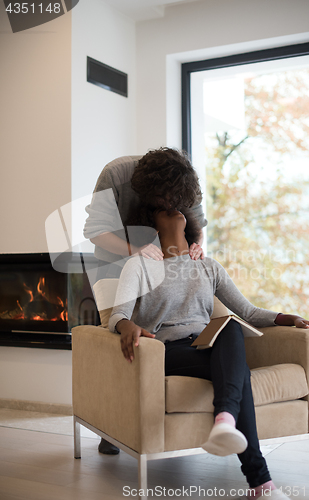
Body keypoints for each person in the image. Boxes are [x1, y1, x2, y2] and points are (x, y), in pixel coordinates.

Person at [108, 207, 309, 500]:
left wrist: (289, 318)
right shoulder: (139, 265)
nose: (173, 209)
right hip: (167, 350)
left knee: (231, 328)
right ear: (150, 223)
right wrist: (127, 326)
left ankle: (225, 422)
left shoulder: (207, 265)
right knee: (240, 374)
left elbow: (247, 311)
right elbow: (117, 314)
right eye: (161, 207)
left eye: (178, 205)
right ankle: (261, 484)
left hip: (207, 345)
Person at [84, 147, 207, 454]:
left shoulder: (184, 185)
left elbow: (198, 229)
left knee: (163, 336)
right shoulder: (116, 175)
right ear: (152, 192)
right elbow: (95, 231)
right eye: (167, 202)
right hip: (115, 266)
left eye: (178, 204)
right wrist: (133, 251)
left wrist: (195, 249)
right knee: (120, 342)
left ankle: (165, 413)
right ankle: (112, 426)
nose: (172, 208)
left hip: (166, 269)